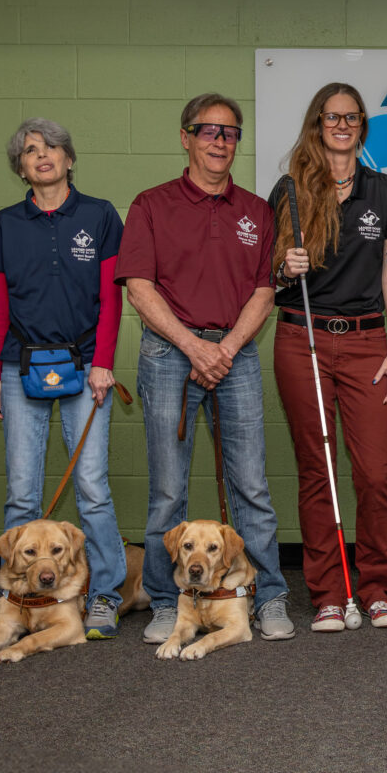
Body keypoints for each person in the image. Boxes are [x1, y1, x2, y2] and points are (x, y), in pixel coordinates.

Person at [118, 93, 292, 644]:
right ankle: (168, 601)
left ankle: (266, 595)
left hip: (235, 354)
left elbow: (266, 289)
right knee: (168, 491)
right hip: (170, 353)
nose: (221, 141)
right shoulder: (151, 204)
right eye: (209, 131)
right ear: (186, 136)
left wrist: (227, 348)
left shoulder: (257, 210)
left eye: (231, 132)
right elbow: (140, 290)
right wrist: (195, 347)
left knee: (251, 486)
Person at [269, 83, 387, 633]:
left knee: (374, 472)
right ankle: (330, 593)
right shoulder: (290, 190)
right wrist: (287, 267)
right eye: (333, 117)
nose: (343, 125)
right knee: (318, 471)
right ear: (317, 124)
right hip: (301, 336)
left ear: (363, 127)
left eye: (352, 117)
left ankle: (376, 589)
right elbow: (271, 278)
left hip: (368, 341)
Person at [0, 118, 130, 637]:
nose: (41, 155)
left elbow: (113, 298)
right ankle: (15, 596)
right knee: (22, 493)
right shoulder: (6, 222)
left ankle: (106, 595)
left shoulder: (101, 215)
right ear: (20, 168)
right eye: (29, 151)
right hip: (20, 364)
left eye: (51, 148)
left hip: (88, 363)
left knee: (91, 487)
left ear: (69, 159)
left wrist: (105, 362)